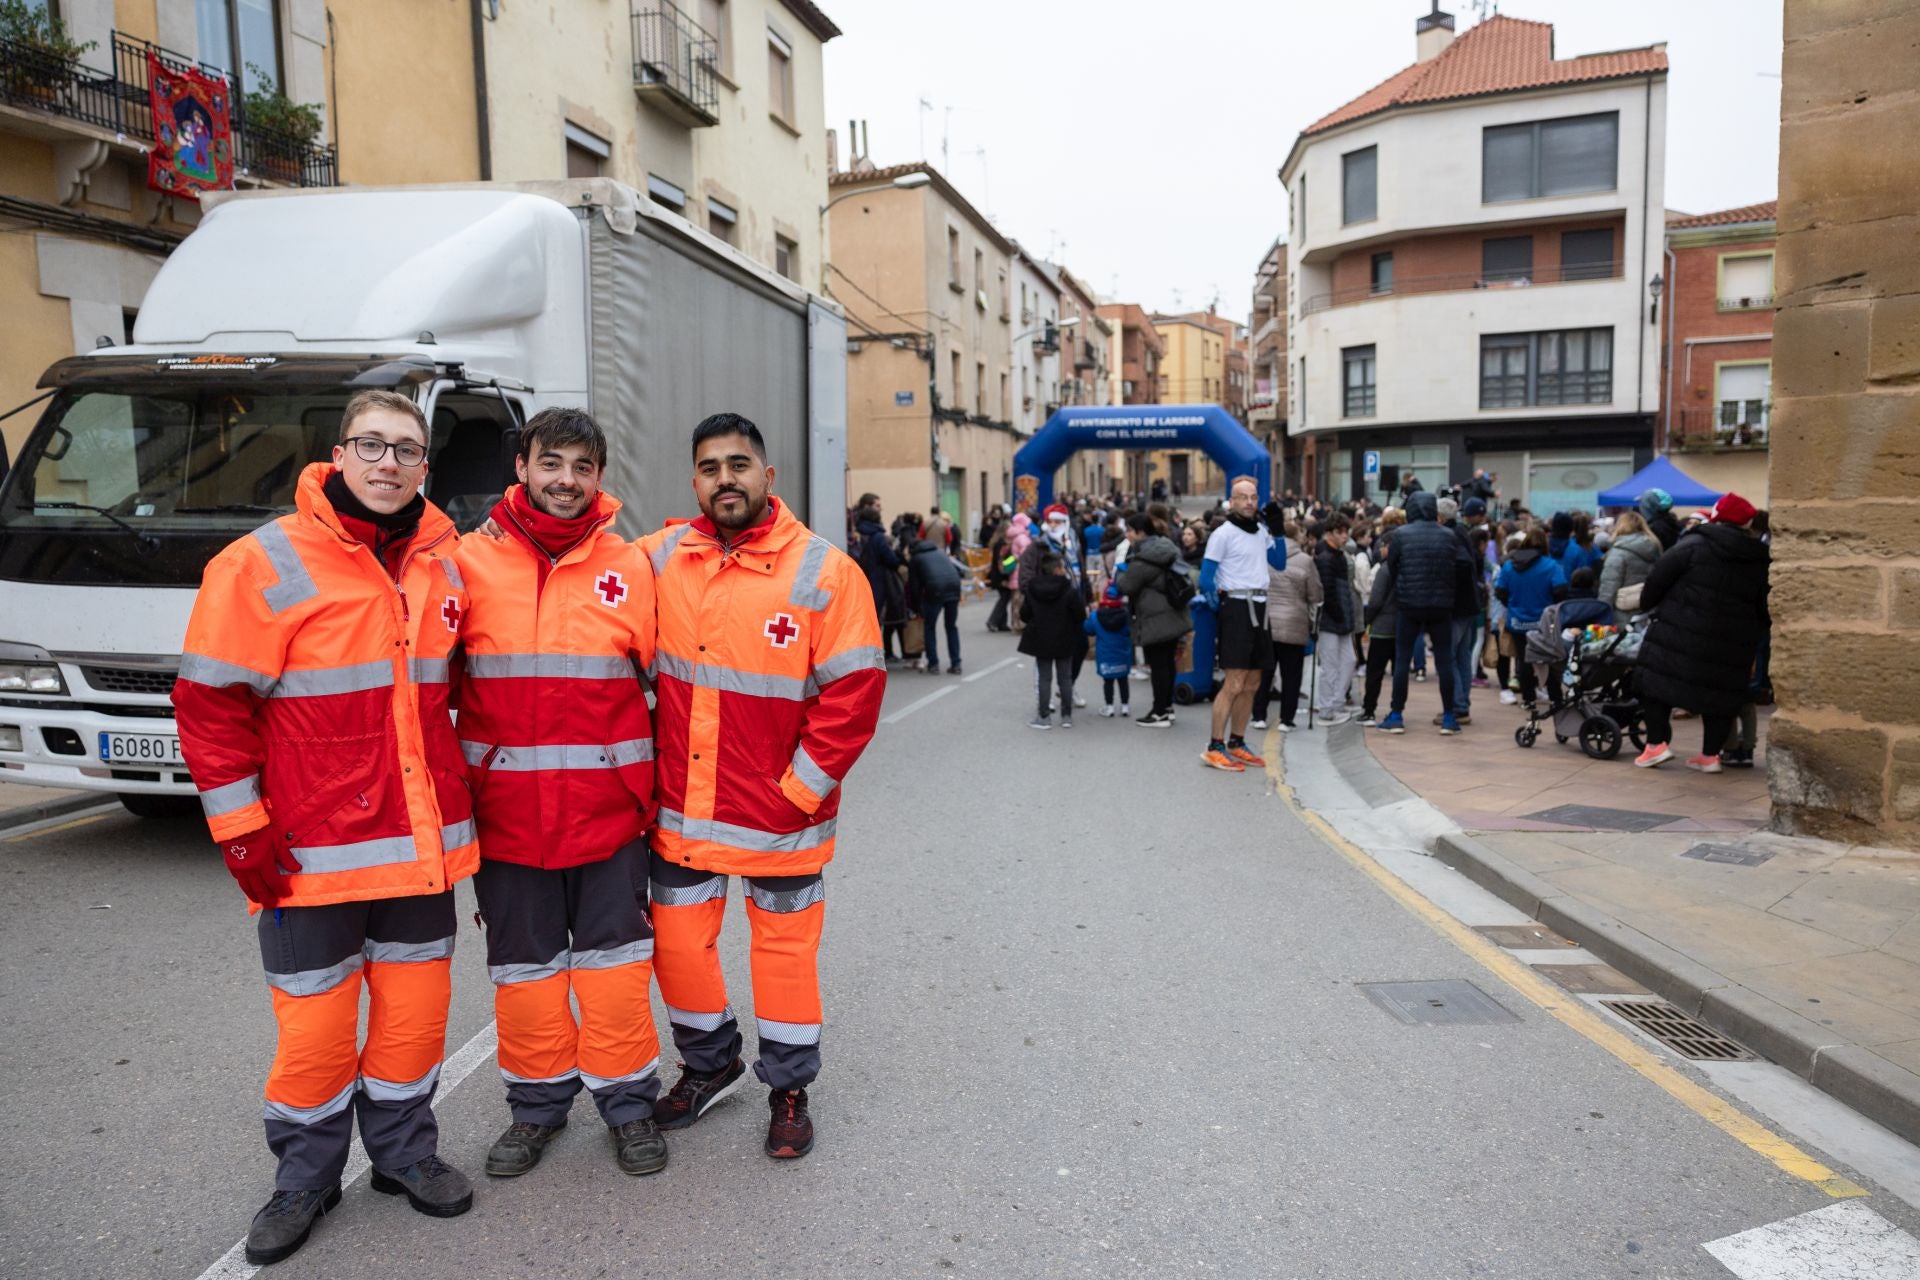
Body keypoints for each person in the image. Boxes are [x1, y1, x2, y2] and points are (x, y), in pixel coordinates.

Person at [173, 390, 478, 1265]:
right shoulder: (261, 563)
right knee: (313, 1036)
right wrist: (241, 829)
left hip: (416, 851)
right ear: (338, 455)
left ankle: (403, 1154)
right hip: (309, 856)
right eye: (371, 445)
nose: (389, 463)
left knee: (414, 1021)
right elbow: (209, 705)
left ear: (425, 467)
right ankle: (305, 1178)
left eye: (407, 450)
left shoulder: (445, 563)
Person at [640, 413, 884, 1159]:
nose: (726, 479)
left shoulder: (825, 571)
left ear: (767, 476)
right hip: (682, 811)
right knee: (679, 948)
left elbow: (855, 695)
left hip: (781, 816)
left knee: (783, 957)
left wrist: (797, 794)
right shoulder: (655, 561)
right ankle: (710, 1065)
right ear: (694, 481)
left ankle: (789, 1088)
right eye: (710, 467)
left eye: (739, 464)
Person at [447, 408, 666, 1181]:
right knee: (526, 976)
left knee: (616, 973)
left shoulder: (630, 566)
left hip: (609, 821)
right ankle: (536, 1110)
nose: (566, 480)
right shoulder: (467, 562)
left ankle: (629, 1107)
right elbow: (429, 688)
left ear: (600, 477)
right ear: (522, 468)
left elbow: (666, 690)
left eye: (582, 466)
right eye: (551, 463)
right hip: (508, 820)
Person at [1633, 493, 1770, 772]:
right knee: (1719, 695)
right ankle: (1710, 756)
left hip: (1679, 631)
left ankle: (1656, 745)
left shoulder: (1693, 544)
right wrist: (1754, 634)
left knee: (1655, 684)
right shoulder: (1758, 557)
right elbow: (1764, 604)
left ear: (1717, 516)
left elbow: (1657, 579)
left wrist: (1648, 604)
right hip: (1732, 639)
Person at [1196, 478, 1289, 771]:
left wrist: (1279, 531)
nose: (1249, 502)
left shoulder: (1260, 531)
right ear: (1232, 501)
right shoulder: (1222, 534)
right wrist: (1220, 607)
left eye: (1253, 497)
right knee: (1234, 682)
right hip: (1236, 605)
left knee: (1253, 683)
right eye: (1243, 497)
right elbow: (1205, 578)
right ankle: (1215, 746)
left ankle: (1237, 741)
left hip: (1261, 604)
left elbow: (1280, 563)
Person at [1374, 491, 1471, 735]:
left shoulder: (1401, 535)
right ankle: (1449, 716)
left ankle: (1396, 714)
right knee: (1444, 660)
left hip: (1409, 603)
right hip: (1441, 605)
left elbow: (1392, 566)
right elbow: (1463, 563)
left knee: (1402, 659)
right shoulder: (1448, 535)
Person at [1117, 512, 1191, 727]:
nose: (1127, 534)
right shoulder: (1167, 547)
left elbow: (1126, 586)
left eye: (1130, 530)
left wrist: (1120, 573)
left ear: (1140, 532)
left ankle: (1159, 712)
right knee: (1167, 662)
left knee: (1158, 665)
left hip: (1154, 617)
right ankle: (1167, 707)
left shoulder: (1143, 559)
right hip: (1173, 613)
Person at [1254, 518, 1321, 732]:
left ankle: (1259, 715)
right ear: (1295, 536)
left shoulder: (1265, 556)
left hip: (1267, 621)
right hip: (1294, 622)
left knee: (1265, 672)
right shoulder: (1305, 560)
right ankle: (1286, 719)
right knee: (1291, 674)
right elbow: (1315, 594)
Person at [1494, 527, 1569, 709]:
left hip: (1517, 621)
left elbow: (1500, 590)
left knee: (1524, 659)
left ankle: (1528, 699)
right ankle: (1555, 697)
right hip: (1544, 621)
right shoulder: (1550, 566)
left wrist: (1512, 604)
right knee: (1550, 659)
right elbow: (1561, 590)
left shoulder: (1509, 566)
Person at [1019, 553, 1085, 729]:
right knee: (1065, 677)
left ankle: (1044, 716)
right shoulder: (1068, 589)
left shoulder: (1033, 588)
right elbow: (1080, 615)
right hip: (1065, 637)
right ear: (1057, 569)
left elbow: (1024, 614)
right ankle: (1066, 716)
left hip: (1041, 637)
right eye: (1062, 567)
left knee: (1044, 677)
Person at [1312, 514, 1358, 724]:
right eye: (1340, 532)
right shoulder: (1326, 558)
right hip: (1332, 619)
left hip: (1340, 617)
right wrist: (1339, 614)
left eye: (1346, 532)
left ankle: (1335, 703)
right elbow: (1328, 591)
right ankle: (1327, 707)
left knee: (1348, 660)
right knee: (1331, 665)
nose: (1344, 536)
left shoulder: (1335, 556)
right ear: (1329, 533)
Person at [851, 504, 908, 664]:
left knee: (866, 619)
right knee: (877, 620)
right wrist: (899, 560)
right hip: (879, 581)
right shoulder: (878, 536)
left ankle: (863, 654)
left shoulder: (858, 534)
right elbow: (889, 558)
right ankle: (875, 657)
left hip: (863, 578)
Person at [907, 517, 964, 674]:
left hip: (935, 591)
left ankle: (933, 663)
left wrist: (917, 608)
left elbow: (914, 587)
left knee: (929, 627)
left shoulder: (916, 559)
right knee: (951, 626)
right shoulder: (939, 552)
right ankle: (956, 663)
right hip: (954, 587)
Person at [1597, 509, 1661, 624]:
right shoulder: (1655, 548)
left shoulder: (1618, 552)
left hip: (1623, 615)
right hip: (1648, 611)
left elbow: (1608, 588)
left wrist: (1601, 617)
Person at [1084, 579, 1134, 717]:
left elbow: (1087, 629)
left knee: (1108, 681)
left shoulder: (1096, 616)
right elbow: (1130, 631)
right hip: (1122, 654)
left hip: (1105, 655)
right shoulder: (1126, 616)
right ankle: (1125, 706)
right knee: (1123, 680)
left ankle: (1109, 706)